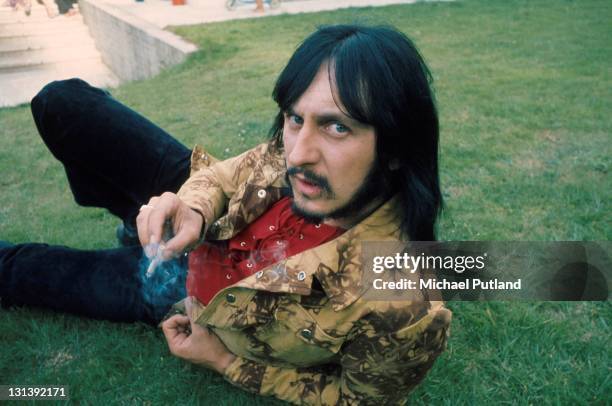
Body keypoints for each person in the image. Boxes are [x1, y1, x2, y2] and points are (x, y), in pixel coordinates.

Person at [0, 24, 451, 404]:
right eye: (295, 118)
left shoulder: (403, 304)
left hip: (184, 296)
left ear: (396, 149)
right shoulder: (294, 147)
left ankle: (134, 239)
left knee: (16, 269)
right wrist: (193, 208)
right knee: (63, 103)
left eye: (338, 127)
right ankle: (132, 225)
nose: (297, 155)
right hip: (202, 220)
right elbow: (225, 176)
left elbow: (354, 399)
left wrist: (223, 360)